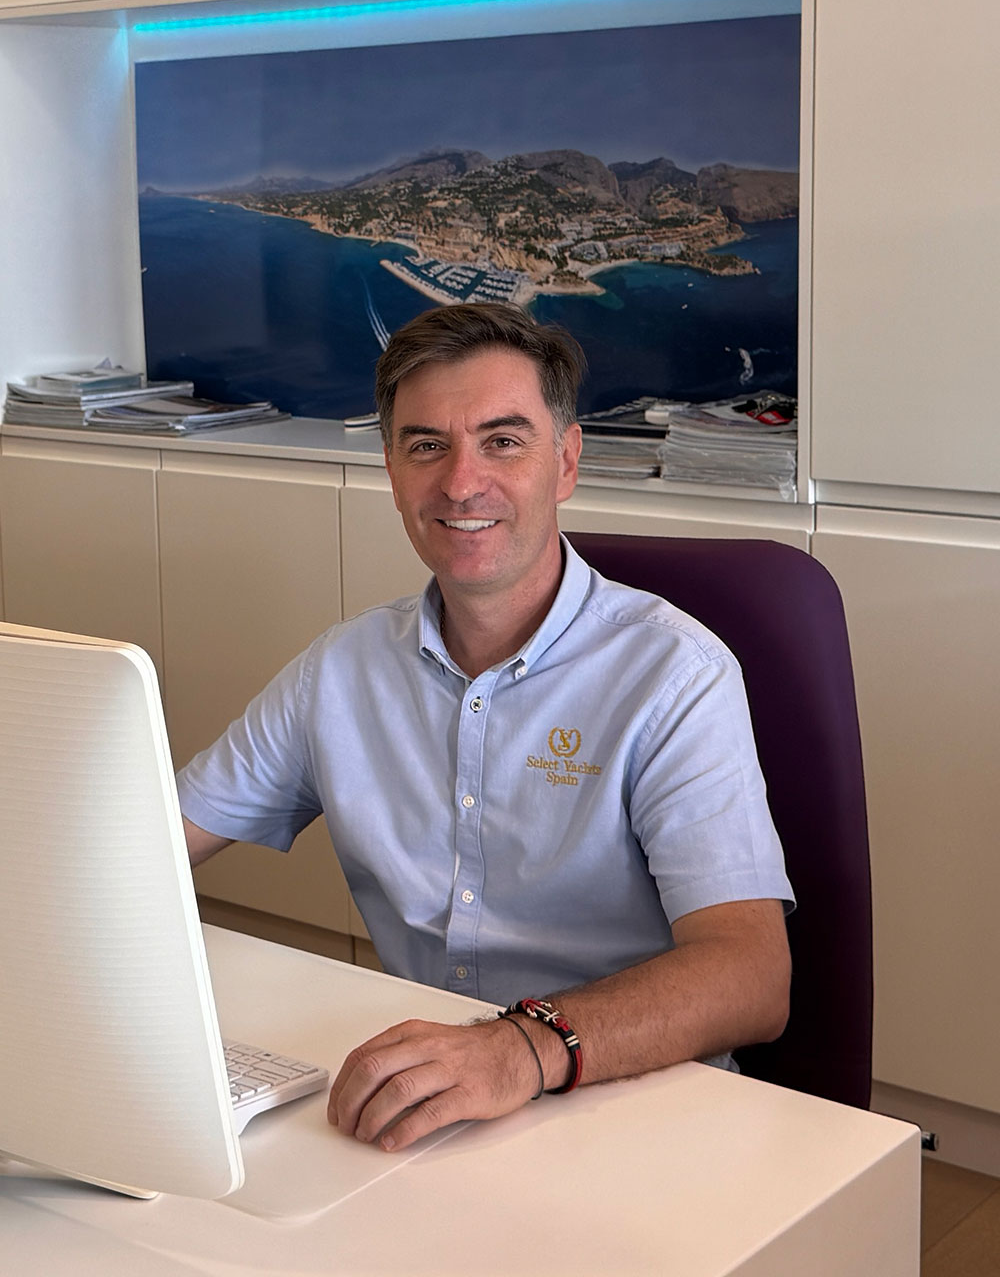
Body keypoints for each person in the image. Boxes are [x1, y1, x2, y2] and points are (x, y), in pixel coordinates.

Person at [180, 302, 793, 1154]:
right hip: (432, 1103)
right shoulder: (341, 670)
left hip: (636, 1104)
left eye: (503, 440)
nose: (462, 482)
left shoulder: (674, 675)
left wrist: (521, 1049)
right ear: (392, 469)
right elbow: (148, 845)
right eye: (427, 444)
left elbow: (752, 977)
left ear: (566, 461)